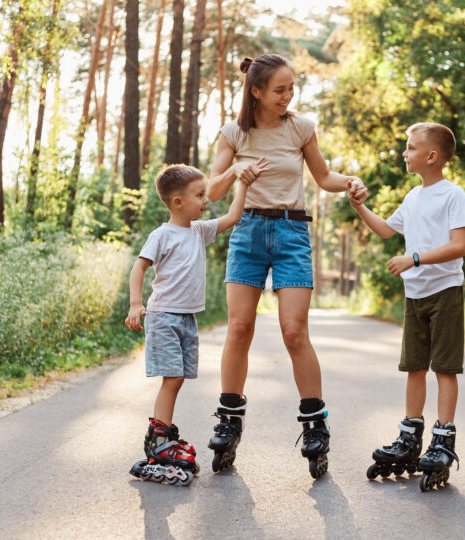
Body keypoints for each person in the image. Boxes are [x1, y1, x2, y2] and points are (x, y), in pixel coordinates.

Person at [205, 53, 366, 478]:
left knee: (294, 331)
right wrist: (238, 168)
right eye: (280, 89)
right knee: (239, 327)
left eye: (291, 88)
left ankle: (315, 425)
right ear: (256, 91)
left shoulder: (301, 128)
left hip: (292, 232)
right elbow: (211, 190)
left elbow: (324, 177)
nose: (288, 96)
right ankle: (229, 418)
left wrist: (350, 182)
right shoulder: (234, 132)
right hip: (248, 233)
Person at [351, 122, 465, 491]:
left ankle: (443, 440)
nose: (405, 153)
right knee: (414, 368)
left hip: (445, 291)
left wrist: (414, 259)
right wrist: (360, 206)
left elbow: (458, 247)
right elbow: (388, 230)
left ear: (431, 156)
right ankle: (409, 438)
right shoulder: (413, 196)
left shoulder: (452, 195)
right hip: (414, 295)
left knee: (445, 368)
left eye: (410, 147)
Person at [125, 164, 252, 485]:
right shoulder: (161, 235)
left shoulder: (199, 230)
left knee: (179, 378)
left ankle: (162, 434)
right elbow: (138, 268)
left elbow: (233, 218)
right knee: (173, 377)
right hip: (163, 316)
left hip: (187, 318)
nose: (206, 200)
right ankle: (158, 438)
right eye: (199, 195)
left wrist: (243, 184)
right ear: (178, 202)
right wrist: (135, 304)